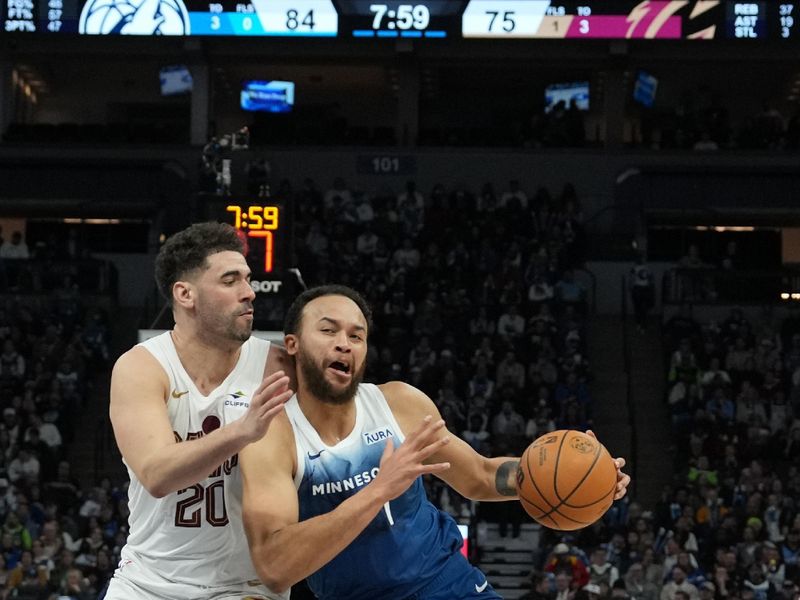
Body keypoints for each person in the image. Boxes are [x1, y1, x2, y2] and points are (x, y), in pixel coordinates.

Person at [239, 284, 630, 599]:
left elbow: (479, 474)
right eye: (328, 330)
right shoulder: (272, 435)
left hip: (448, 584)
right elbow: (275, 569)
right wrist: (379, 489)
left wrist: (583, 477)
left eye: (357, 336)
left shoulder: (399, 404)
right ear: (292, 344)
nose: (345, 343)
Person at [104, 222, 294, 600]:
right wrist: (243, 430)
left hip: (245, 585)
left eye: (248, 279)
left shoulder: (278, 366)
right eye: (230, 281)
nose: (249, 293)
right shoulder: (141, 367)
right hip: (147, 581)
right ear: (185, 294)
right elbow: (157, 474)